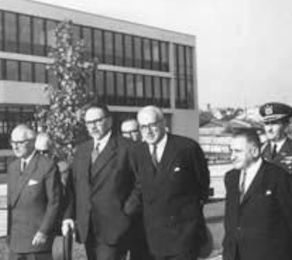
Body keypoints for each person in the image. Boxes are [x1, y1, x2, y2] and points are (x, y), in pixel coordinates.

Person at [129, 105, 210, 260]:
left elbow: (202, 186)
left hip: (184, 236)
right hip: (153, 239)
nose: (148, 131)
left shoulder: (187, 148)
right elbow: (140, 187)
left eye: (152, 125)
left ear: (162, 122)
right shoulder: (137, 153)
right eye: (143, 127)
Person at [61, 103, 137, 260]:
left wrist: (126, 212)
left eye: (97, 121)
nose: (92, 126)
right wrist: (68, 216)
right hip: (87, 227)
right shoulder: (82, 150)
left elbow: (140, 184)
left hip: (114, 227)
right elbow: (73, 187)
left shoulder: (127, 148)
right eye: (89, 123)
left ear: (109, 121)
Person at [222, 128, 292, 260]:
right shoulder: (231, 177)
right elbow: (231, 219)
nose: (232, 156)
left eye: (237, 151)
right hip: (235, 254)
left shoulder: (278, 177)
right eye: (230, 151)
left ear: (254, 151)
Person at [7, 124, 62, 260]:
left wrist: (44, 231)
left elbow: (54, 202)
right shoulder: (12, 167)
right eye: (12, 142)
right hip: (16, 239)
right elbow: (11, 204)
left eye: (20, 142)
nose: (15, 147)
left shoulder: (47, 166)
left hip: (37, 239)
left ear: (32, 143)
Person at [119, 118, 152, 260]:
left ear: (140, 131)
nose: (129, 136)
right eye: (125, 133)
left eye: (133, 131)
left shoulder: (149, 151)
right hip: (124, 213)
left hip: (146, 214)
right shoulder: (118, 155)